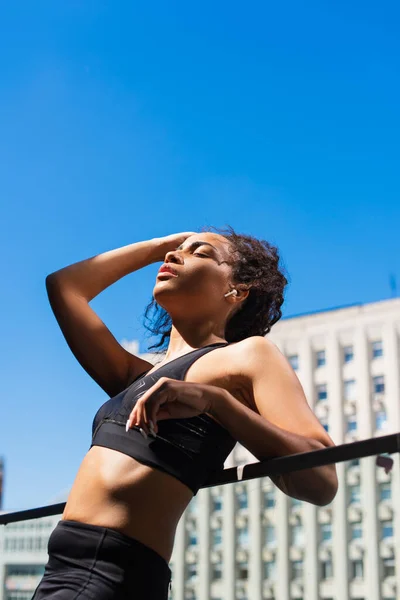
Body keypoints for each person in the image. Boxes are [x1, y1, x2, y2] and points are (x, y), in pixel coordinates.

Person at [33, 227, 338, 600]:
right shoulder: (136, 377)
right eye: (175, 251)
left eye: (201, 253)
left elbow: (322, 480)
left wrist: (217, 402)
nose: (173, 257)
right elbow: (64, 286)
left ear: (237, 291)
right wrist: (162, 245)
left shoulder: (248, 355)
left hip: (114, 574)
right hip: (60, 569)